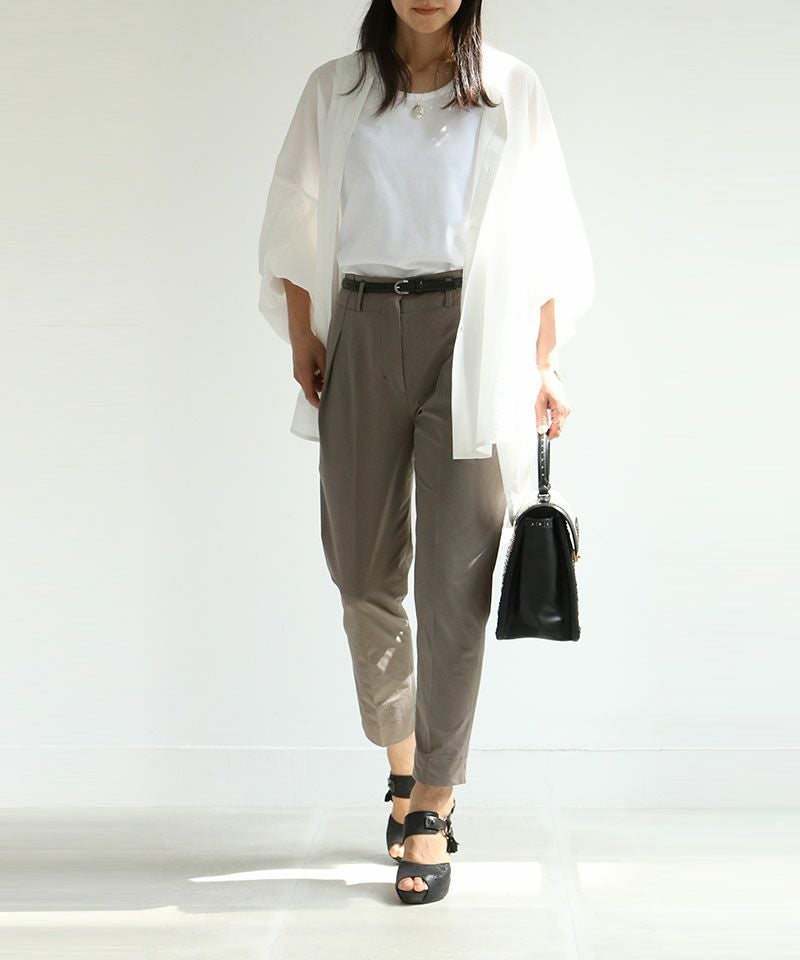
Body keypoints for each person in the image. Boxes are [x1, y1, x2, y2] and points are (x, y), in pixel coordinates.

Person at [257, 0, 594, 905]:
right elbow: (293, 213)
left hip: (473, 333)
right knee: (362, 572)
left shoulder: (510, 88)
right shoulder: (336, 89)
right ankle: (403, 762)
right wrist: (303, 333)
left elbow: (547, 226)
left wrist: (543, 362)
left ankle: (434, 804)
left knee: (456, 579)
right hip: (362, 323)